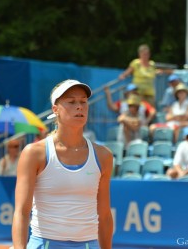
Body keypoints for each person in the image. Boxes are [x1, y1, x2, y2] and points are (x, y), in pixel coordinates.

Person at [11, 79, 113, 249]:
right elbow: (21, 212)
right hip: (44, 244)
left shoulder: (104, 156)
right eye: (71, 102)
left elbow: (104, 215)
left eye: (83, 102)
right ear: (55, 110)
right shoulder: (34, 153)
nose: (79, 106)